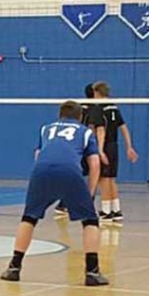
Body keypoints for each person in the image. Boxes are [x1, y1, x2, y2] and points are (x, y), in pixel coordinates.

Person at [1, 100, 108, 286]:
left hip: (41, 170)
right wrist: (90, 193)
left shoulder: (46, 129)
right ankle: (92, 271)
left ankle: (14, 267)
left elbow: (38, 155)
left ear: (60, 115)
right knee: (90, 220)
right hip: (70, 171)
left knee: (29, 217)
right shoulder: (85, 132)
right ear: (80, 117)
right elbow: (95, 163)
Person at [89, 81, 138, 224]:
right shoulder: (114, 107)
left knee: (103, 179)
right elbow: (123, 128)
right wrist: (129, 147)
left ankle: (106, 212)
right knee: (111, 179)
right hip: (114, 146)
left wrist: (99, 150)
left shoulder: (99, 108)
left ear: (97, 93)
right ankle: (116, 211)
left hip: (104, 146)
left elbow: (100, 130)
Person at [55, 82, 98, 219]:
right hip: (84, 146)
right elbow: (91, 127)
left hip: (76, 146)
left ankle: (64, 203)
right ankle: (82, 203)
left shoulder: (79, 107)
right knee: (84, 173)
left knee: (79, 174)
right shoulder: (93, 109)